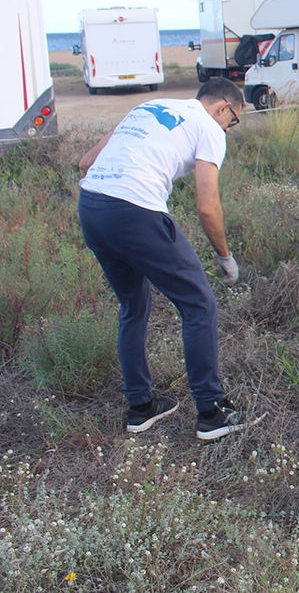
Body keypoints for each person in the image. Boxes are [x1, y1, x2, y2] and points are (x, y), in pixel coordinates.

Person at [78, 78, 246, 440]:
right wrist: (224, 256)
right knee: (198, 305)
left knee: (133, 305)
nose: (228, 130)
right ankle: (212, 413)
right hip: (135, 212)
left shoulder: (149, 107)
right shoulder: (209, 128)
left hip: (91, 206)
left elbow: (86, 162)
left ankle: (140, 407)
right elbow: (207, 205)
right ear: (223, 108)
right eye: (232, 122)